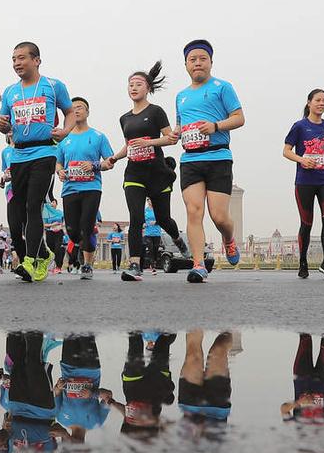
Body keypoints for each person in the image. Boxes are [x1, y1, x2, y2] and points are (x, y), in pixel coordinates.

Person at [166, 40, 244, 283]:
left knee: (219, 217)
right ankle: (198, 264)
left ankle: (228, 240)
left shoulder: (223, 87)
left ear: (210, 62)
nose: (197, 63)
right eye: (192, 60)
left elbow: (239, 118)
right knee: (193, 211)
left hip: (218, 156)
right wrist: (176, 133)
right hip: (190, 159)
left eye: (202, 58)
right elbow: (180, 125)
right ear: (186, 65)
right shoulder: (181, 96)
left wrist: (216, 126)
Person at [0, 41, 75, 282]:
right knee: (18, 212)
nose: (17, 63)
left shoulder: (53, 86)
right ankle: (43, 254)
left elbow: (70, 112)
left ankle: (31, 261)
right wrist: (3, 126)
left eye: (22, 58)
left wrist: (65, 130)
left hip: (44, 153)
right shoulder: (10, 91)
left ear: (36, 60)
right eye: (13, 59)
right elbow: (4, 123)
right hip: (18, 154)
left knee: (33, 206)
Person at [103, 63, 188, 282]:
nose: (133, 88)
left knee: (163, 218)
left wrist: (149, 142)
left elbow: (171, 138)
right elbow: (128, 146)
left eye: (138, 84)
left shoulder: (156, 111)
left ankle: (177, 239)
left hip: (158, 172)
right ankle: (135, 265)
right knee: (136, 218)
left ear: (148, 88)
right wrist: (113, 157)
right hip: (134, 173)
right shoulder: (125, 118)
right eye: (130, 85)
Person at [284, 89, 324, 278]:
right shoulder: (299, 126)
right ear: (309, 103)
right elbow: (286, 151)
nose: (321, 104)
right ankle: (303, 262)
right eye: (318, 100)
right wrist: (301, 160)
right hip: (304, 181)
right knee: (307, 223)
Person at [55, 97, 113, 280]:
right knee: (72, 231)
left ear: (87, 112)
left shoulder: (98, 136)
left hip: (91, 188)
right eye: (73, 108)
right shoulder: (64, 140)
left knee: (86, 227)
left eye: (80, 107)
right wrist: (60, 172)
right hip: (70, 189)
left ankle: (87, 264)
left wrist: (94, 165)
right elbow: (58, 163)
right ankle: (83, 246)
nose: (77, 110)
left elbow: (109, 162)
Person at [53, 334, 109, 442]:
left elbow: (56, 393)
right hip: (91, 369)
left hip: (68, 368)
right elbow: (108, 396)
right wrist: (93, 394)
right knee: (86, 332)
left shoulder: (61, 419)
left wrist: (58, 386)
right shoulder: (97, 422)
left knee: (69, 331)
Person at [280, 334, 324, 423]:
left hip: (302, 377)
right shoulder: (322, 424)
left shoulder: (297, 423)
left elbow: (283, 409)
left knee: (305, 336)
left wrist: (299, 402)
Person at [41, 198, 65, 274]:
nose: (52, 204)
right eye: (50, 202)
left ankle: (58, 267)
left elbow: (65, 221)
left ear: (56, 204)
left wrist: (61, 225)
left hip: (59, 232)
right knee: (51, 250)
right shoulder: (46, 213)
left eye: (53, 202)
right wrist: (52, 224)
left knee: (58, 248)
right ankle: (51, 265)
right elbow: (44, 225)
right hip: (50, 233)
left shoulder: (60, 212)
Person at [142, 200, 163, 273]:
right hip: (148, 233)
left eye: (150, 199)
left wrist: (156, 222)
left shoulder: (158, 209)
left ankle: (154, 262)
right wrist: (143, 224)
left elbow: (163, 220)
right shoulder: (145, 210)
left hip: (157, 233)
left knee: (155, 249)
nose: (149, 201)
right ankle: (153, 266)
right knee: (150, 249)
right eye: (148, 200)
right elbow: (142, 220)